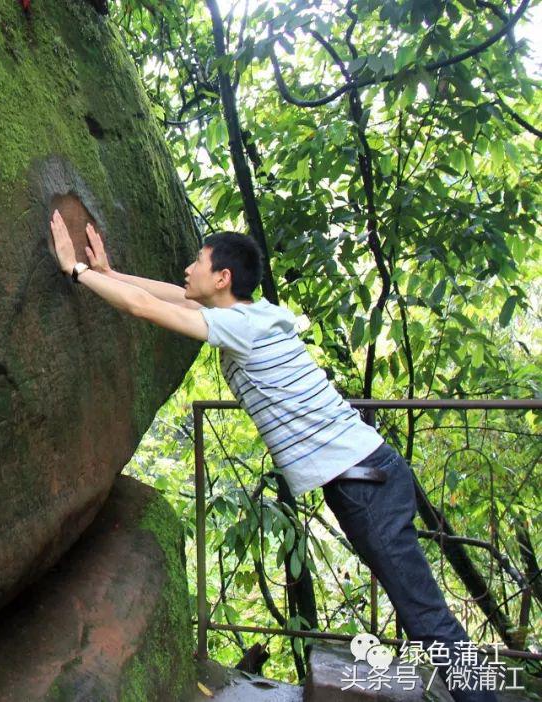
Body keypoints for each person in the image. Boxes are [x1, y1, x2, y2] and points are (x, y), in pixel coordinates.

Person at [47, 210, 497, 702]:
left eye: (198, 262)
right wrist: (110, 274)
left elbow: (145, 308)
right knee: (422, 613)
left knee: (425, 616)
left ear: (222, 277)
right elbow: (168, 296)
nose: (188, 269)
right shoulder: (253, 314)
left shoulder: (238, 326)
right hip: (368, 476)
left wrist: (77, 270)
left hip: (365, 482)